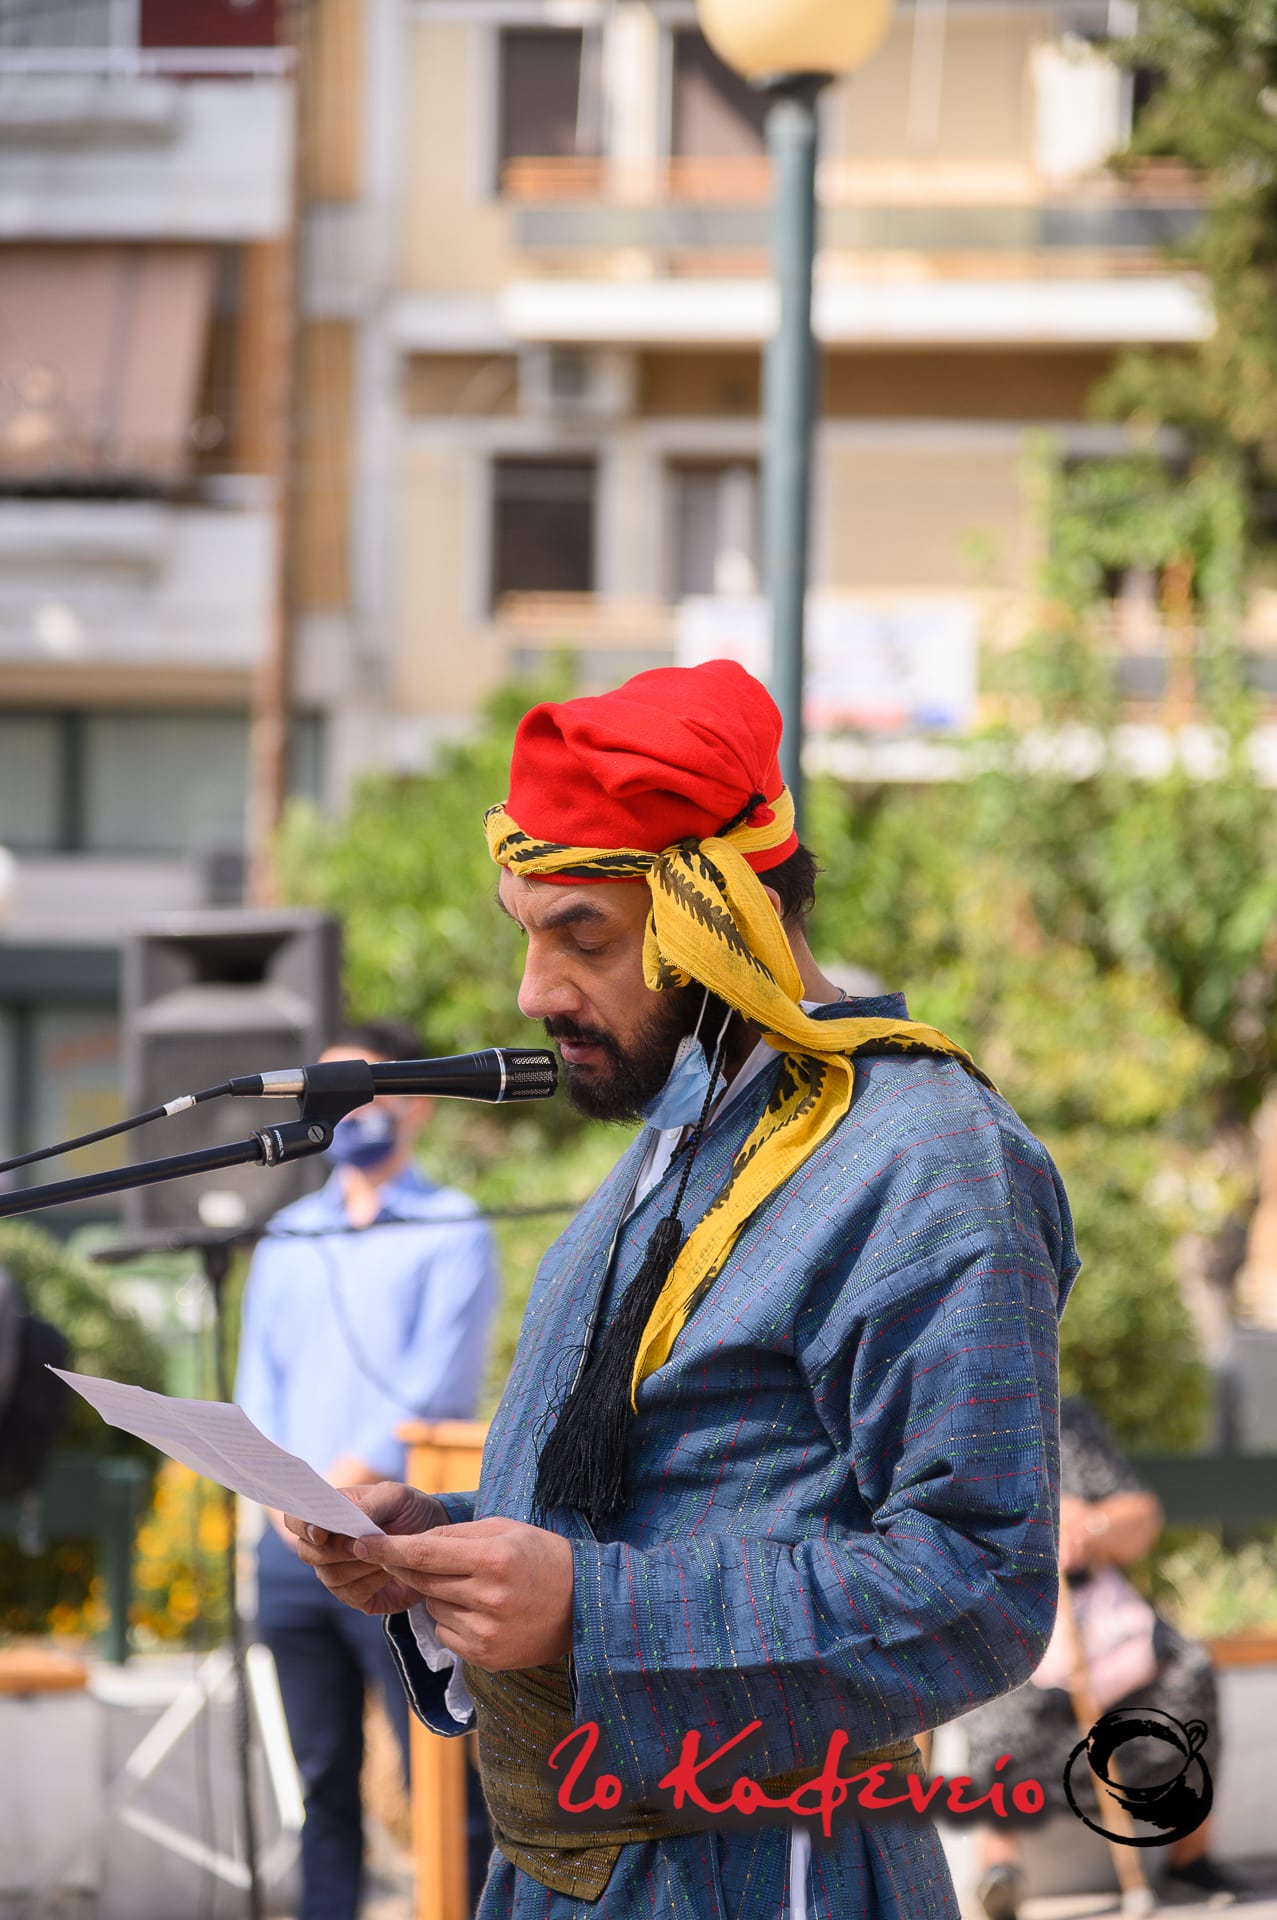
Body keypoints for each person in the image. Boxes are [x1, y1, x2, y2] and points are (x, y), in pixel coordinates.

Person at [289, 660, 1081, 1920]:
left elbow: (982, 1587)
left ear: (722, 920)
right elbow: (673, 1503)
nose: (534, 991)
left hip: (764, 1874)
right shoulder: (679, 1138)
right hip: (563, 1873)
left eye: (584, 936)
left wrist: (585, 1609)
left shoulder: (925, 1159)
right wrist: (439, 1548)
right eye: (525, 932)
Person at [235, 1017, 499, 1920]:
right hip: (287, 1545)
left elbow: (437, 1383)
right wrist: (279, 1499)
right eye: (329, 1092)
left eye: (365, 1090)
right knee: (319, 1780)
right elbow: (258, 1387)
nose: (346, 1110)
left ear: (416, 1103)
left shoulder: (454, 1228)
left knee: (439, 1778)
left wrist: (331, 1491)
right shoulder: (286, 1235)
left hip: (392, 1543)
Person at [966, 1396, 1240, 1917]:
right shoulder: (951, 1419)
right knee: (992, 1677)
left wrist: (1087, 1524)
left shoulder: (1063, 1416)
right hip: (1006, 1613)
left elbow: (1139, 1514)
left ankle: (1190, 1859)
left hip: (1099, 1621)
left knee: (1189, 1670)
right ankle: (998, 1865)